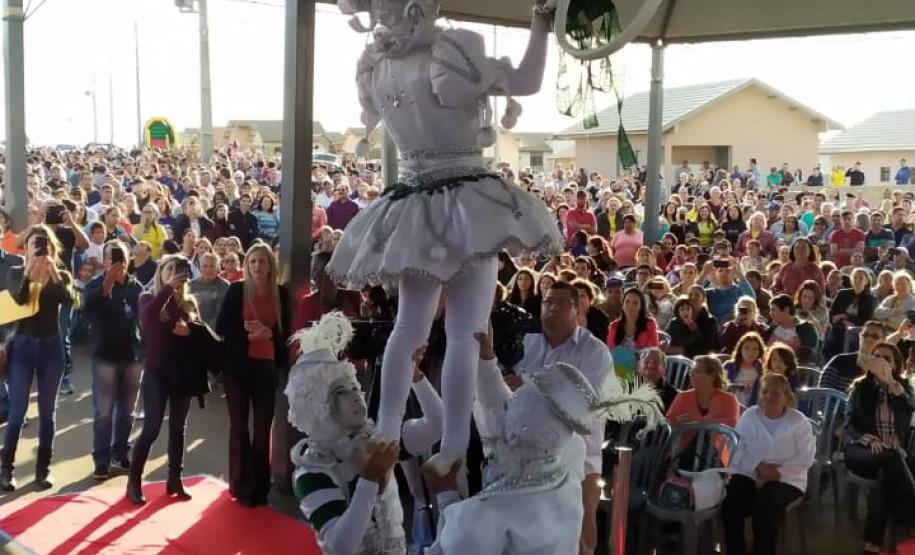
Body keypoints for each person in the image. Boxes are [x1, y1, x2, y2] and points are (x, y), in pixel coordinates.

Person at [329, 2, 564, 479]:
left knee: (408, 328)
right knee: (465, 333)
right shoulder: (451, 48)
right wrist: (540, 24)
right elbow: (526, 82)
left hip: (416, 202)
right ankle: (453, 447)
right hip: (469, 203)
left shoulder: (375, 64)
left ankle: (388, 431)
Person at [427, 331, 658, 555]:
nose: (512, 400)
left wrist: (445, 495)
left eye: (518, 398)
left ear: (522, 429)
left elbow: (455, 544)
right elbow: (502, 406)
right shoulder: (566, 470)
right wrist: (487, 363)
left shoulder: (485, 515)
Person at [287, 313, 443, 555]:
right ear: (319, 404)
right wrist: (370, 478)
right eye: (341, 390)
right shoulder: (313, 469)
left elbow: (437, 425)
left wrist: (417, 379)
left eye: (354, 386)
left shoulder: (375, 438)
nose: (355, 395)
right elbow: (341, 546)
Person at [512, 281, 613, 554]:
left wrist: (526, 386)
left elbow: (582, 407)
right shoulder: (525, 344)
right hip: (525, 462)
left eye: (560, 303)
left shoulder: (594, 352)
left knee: (580, 543)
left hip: (578, 464)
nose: (552, 308)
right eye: (547, 302)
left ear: (577, 307)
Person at [216, 243, 291, 506]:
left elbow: (287, 334)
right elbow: (222, 326)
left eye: (261, 261)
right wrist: (249, 334)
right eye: (252, 261)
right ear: (246, 265)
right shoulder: (237, 290)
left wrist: (269, 333)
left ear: (271, 265)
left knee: (262, 432)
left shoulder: (281, 294)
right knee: (239, 428)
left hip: (266, 368)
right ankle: (240, 484)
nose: (257, 266)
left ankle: (260, 487)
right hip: (237, 367)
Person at [1, 227, 73, 491]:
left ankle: (43, 469)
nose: (39, 248)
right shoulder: (15, 272)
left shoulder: (61, 274)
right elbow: (19, 299)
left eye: (43, 245)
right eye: (33, 244)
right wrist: (31, 268)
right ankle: (6, 469)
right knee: (18, 412)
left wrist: (52, 269)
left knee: (47, 413)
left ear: (52, 248)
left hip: (51, 347)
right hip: (22, 346)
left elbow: (68, 299)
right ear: (26, 248)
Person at [127, 254, 198, 505]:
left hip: (182, 374)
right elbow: (147, 318)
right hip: (156, 373)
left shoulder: (188, 302)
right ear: (160, 273)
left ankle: (175, 480)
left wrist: (190, 330)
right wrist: (168, 288)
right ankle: (134, 480)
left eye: (178, 269)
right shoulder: (148, 298)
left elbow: (201, 337)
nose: (173, 273)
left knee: (178, 428)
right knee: (152, 427)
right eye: (169, 269)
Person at [722, 373, 816, 555]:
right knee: (731, 497)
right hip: (751, 471)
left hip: (788, 479)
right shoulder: (750, 416)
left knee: (765, 503)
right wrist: (757, 467)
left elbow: (806, 457)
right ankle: (735, 550)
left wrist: (777, 472)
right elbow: (737, 449)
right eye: (765, 392)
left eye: (775, 393)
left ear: (786, 397)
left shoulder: (798, 421)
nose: (768, 397)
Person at [843, 342, 915, 553]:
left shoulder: (902, 389)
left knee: (886, 474)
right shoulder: (860, 387)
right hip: (862, 450)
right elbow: (849, 424)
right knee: (891, 458)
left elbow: (909, 407)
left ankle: (872, 542)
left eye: (887, 358)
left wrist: (891, 382)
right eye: (877, 357)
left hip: (894, 456)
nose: (881, 361)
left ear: (895, 364)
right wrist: (869, 439)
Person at [82, 241, 143, 479]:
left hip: (131, 357)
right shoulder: (96, 284)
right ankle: (101, 460)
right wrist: (108, 280)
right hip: (105, 357)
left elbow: (143, 315)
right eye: (113, 258)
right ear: (105, 261)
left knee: (127, 413)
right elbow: (87, 306)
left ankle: (120, 454)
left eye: (123, 259)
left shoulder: (135, 286)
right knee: (104, 413)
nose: (119, 263)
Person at [667, 355, 740, 428]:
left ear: (712, 375)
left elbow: (732, 423)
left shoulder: (728, 399)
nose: (691, 374)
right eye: (691, 371)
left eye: (697, 371)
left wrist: (697, 420)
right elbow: (668, 422)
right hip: (684, 439)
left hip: (715, 439)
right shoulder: (683, 397)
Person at [825, 268, 877, 358]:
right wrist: (844, 321)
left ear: (866, 281)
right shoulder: (842, 294)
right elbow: (832, 314)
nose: (857, 280)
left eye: (861, 278)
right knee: (833, 334)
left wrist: (844, 316)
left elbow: (867, 319)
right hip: (839, 326)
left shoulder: (871, 300)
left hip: (858, 330)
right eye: (855, 277)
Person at [764, 295, 820, 364]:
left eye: (773, 310)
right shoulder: (772, 329)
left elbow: (807, 355)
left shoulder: (806, 329)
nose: (770, 314)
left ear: (786, 310)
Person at [703, 257, 755, 324]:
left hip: (735, 327)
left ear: (733, 274)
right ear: (716, 273)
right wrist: (704, 273)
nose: (723, 273)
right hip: (714, 328)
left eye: (727, 271)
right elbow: (693, 296)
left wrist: (739, 273)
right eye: (720, 271)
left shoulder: (740, 290)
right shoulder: (710, 292)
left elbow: (751, 298)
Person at [724, 332, 766, 407]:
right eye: (746, 348)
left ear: (760, 351)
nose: (750, 352)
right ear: (740, 349)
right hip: (731, 407)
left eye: (755, 349)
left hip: (753, 410)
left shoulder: (762, 369)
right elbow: (719, 385)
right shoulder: (729, 366)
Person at [190, 252, 230, 329]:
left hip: (217, 329)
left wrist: (208, 330)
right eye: (205, 266)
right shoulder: (190, 285)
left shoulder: (225, 286)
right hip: (195, 328)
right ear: (200, 267)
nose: (208, 270)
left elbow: (221, 313)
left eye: (212, 266)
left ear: (218, 268)